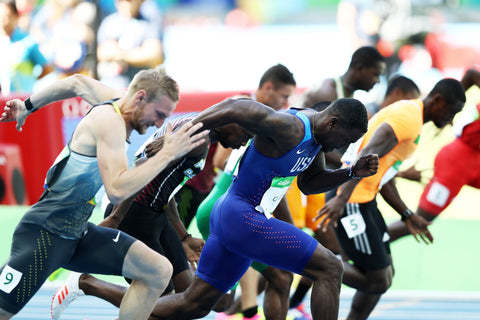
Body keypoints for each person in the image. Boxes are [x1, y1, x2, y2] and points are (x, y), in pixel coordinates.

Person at [138, 96, 379, 320]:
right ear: (333, 123)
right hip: (243, 216)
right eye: (346, 139)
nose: (343, 146)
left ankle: (114, 297)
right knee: (330, 267)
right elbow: (235, 106)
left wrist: (350, 173)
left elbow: (309, 183)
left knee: (195, 304)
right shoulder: (291, 127)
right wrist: (177, 137)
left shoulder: (316, 141)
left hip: (235, 219)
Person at [0, 67, 209, 320]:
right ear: (140, 97)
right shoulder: (110, 122)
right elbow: (117, 189)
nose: (159, 124)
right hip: (45, 234)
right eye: (159, 114)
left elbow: (76, 83)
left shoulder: (117, 101)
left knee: (157, 269)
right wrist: (167, 153)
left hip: (77, 234)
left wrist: (27, 106)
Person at [315, 78, 466, 320]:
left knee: (385, 274)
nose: (451, 121)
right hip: (351, 200)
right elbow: (366, 153)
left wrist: (407, 215)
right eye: (452, 112)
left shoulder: (412, 117)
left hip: (364, 199)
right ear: (438, 101)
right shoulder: (408, 117)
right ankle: (317, 265)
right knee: (378, 281)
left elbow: (384, 176)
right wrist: (342, 200)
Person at [288, 75, 421, 317]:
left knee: (380, 276)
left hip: (358, 197)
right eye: (374, 72)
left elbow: (379, 171)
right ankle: (305, 275)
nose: (375, 79)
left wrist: (406, 210)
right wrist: (342, 194)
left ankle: (301, 291)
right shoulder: (402, 117)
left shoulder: (389, 120)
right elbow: (364, 155)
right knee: (352, 270)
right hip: (348, 198)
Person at [195, 63, 297, 320]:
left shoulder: (272, 124)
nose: (285, 103)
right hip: (228, 205)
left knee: (204, 299)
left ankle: (161, 298)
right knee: (281, 276)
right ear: (268, 87)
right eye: (283, 96)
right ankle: (247, 308)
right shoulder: (247, 111)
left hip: (225, 205)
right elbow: (219, 160)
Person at [387, 69, 480, 242]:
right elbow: (472, 74)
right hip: (458, 161)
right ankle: (372, 243)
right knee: (421, 220)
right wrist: (450, 110)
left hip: (476, 158)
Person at [96, 0, 164, 89]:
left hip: (139, 88)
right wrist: (136, 53)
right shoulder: (109, 23)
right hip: (111, 86)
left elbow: (154, 54)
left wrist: (121, 54)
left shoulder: (147, 24)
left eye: (129, 1)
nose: (124, 3)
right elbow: (101, 53)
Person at [0, 1, 52, 95]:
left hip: (22, 101)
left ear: (16, 17)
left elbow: (46, 68)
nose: (3, 20)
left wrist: (29, 81)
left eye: (7, 16)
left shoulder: (28, 41)